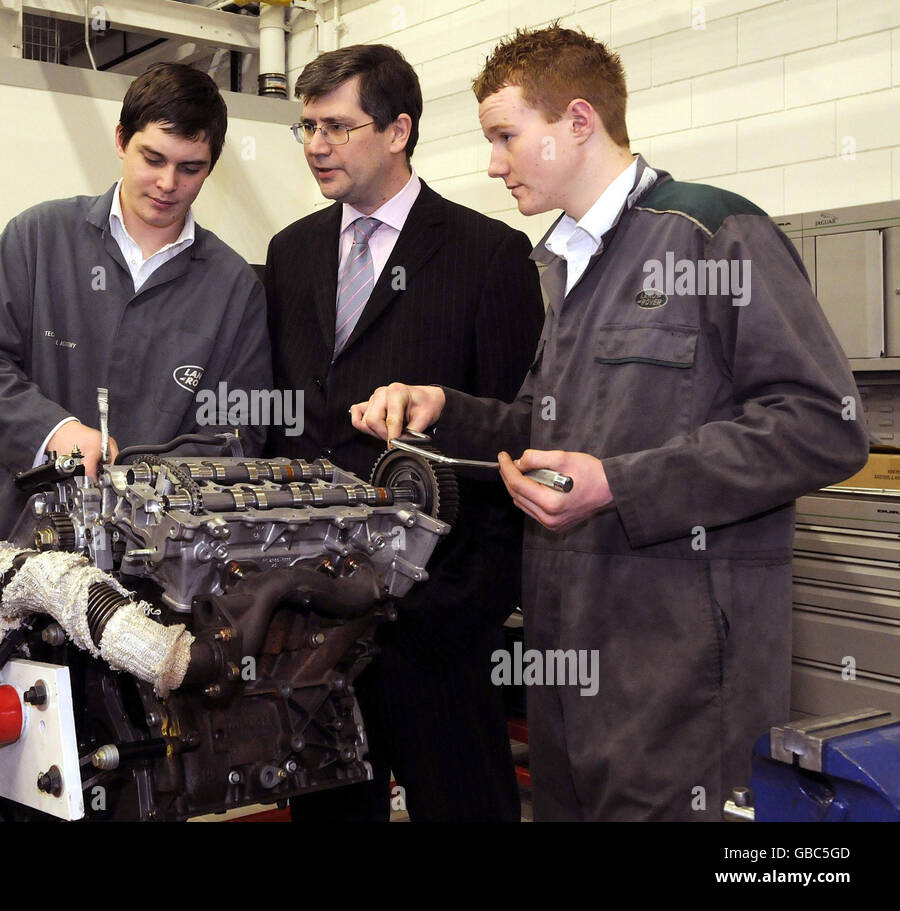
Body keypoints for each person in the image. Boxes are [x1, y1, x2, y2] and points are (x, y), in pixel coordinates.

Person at [352, 26, 870, 821]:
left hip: (683, 679)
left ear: (579, 122)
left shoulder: (713, 234)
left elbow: (821, 425)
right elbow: (544, 426)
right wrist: (445, 409)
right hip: (570, 669)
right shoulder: (564, 263)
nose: (494, 163)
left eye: (506, 137)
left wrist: (621, 484)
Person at [264, 44, 544, 821]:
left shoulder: (488, 255)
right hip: (315, 619)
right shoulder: (289, 254)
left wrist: (464, 608)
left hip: (436, 623)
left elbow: (517, 437)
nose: (317, 144)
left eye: (337, 126)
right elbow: (283, 422)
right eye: (307, 126)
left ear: (398, 131)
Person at [0, 63, 271, 541]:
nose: (167, 183)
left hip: (164, 553)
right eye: (152, 158)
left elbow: (242, 430)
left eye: (190, 168)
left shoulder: (234, 286)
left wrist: (142, 483)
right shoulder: (37, 238)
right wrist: (54, 431)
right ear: (120, 140)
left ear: (211, 167)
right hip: (29, 540)